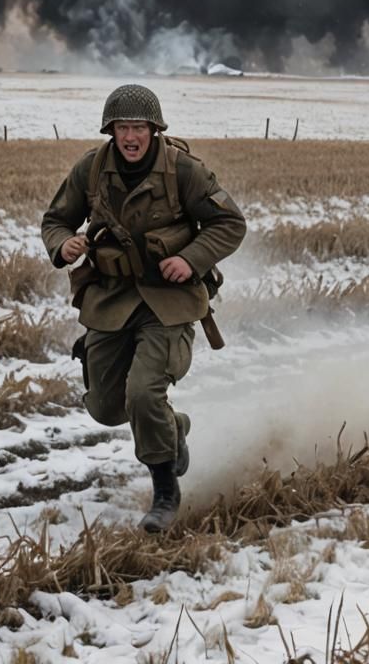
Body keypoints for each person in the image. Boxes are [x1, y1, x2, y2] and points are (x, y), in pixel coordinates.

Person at [41, 84, 246, 532]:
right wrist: (65, 244)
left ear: (154, 129)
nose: (130, 136)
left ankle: (165, 492)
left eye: (138, 127)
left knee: (143, 394)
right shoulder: (91, 171)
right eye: (121, 128)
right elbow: (55, 220)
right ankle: (175, 428)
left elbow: (229, 223)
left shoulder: (184, 172)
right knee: (106, 407)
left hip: (168, 302)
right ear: (110, 130)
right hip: (112, 299)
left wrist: (190, 258)